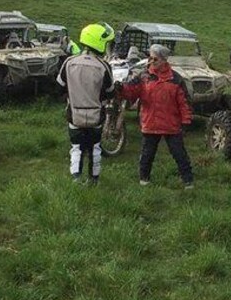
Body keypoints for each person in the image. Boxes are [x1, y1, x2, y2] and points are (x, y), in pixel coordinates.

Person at [119, 44, 194, 188]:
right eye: (150, 57)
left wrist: (186, 121)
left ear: (164, 60)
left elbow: (184, 102)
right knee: (147, 154)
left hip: (171, 124)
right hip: (150, 123)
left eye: (155, 59)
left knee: (179, 154)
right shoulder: (143, 76)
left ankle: (188, 181)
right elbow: (131, 94)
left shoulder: (175, 79)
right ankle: (144, 180)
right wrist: (122, 89)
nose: (151, 61)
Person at [56, 22, 115, 184]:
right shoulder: (104, 66)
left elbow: (59, 87)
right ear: (99, 42)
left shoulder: (69, 63)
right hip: (96, 115)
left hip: (74, 113)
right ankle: (94, 179)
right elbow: (110, 92)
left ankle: (76, 178)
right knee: (95, 147)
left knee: (76, 147)